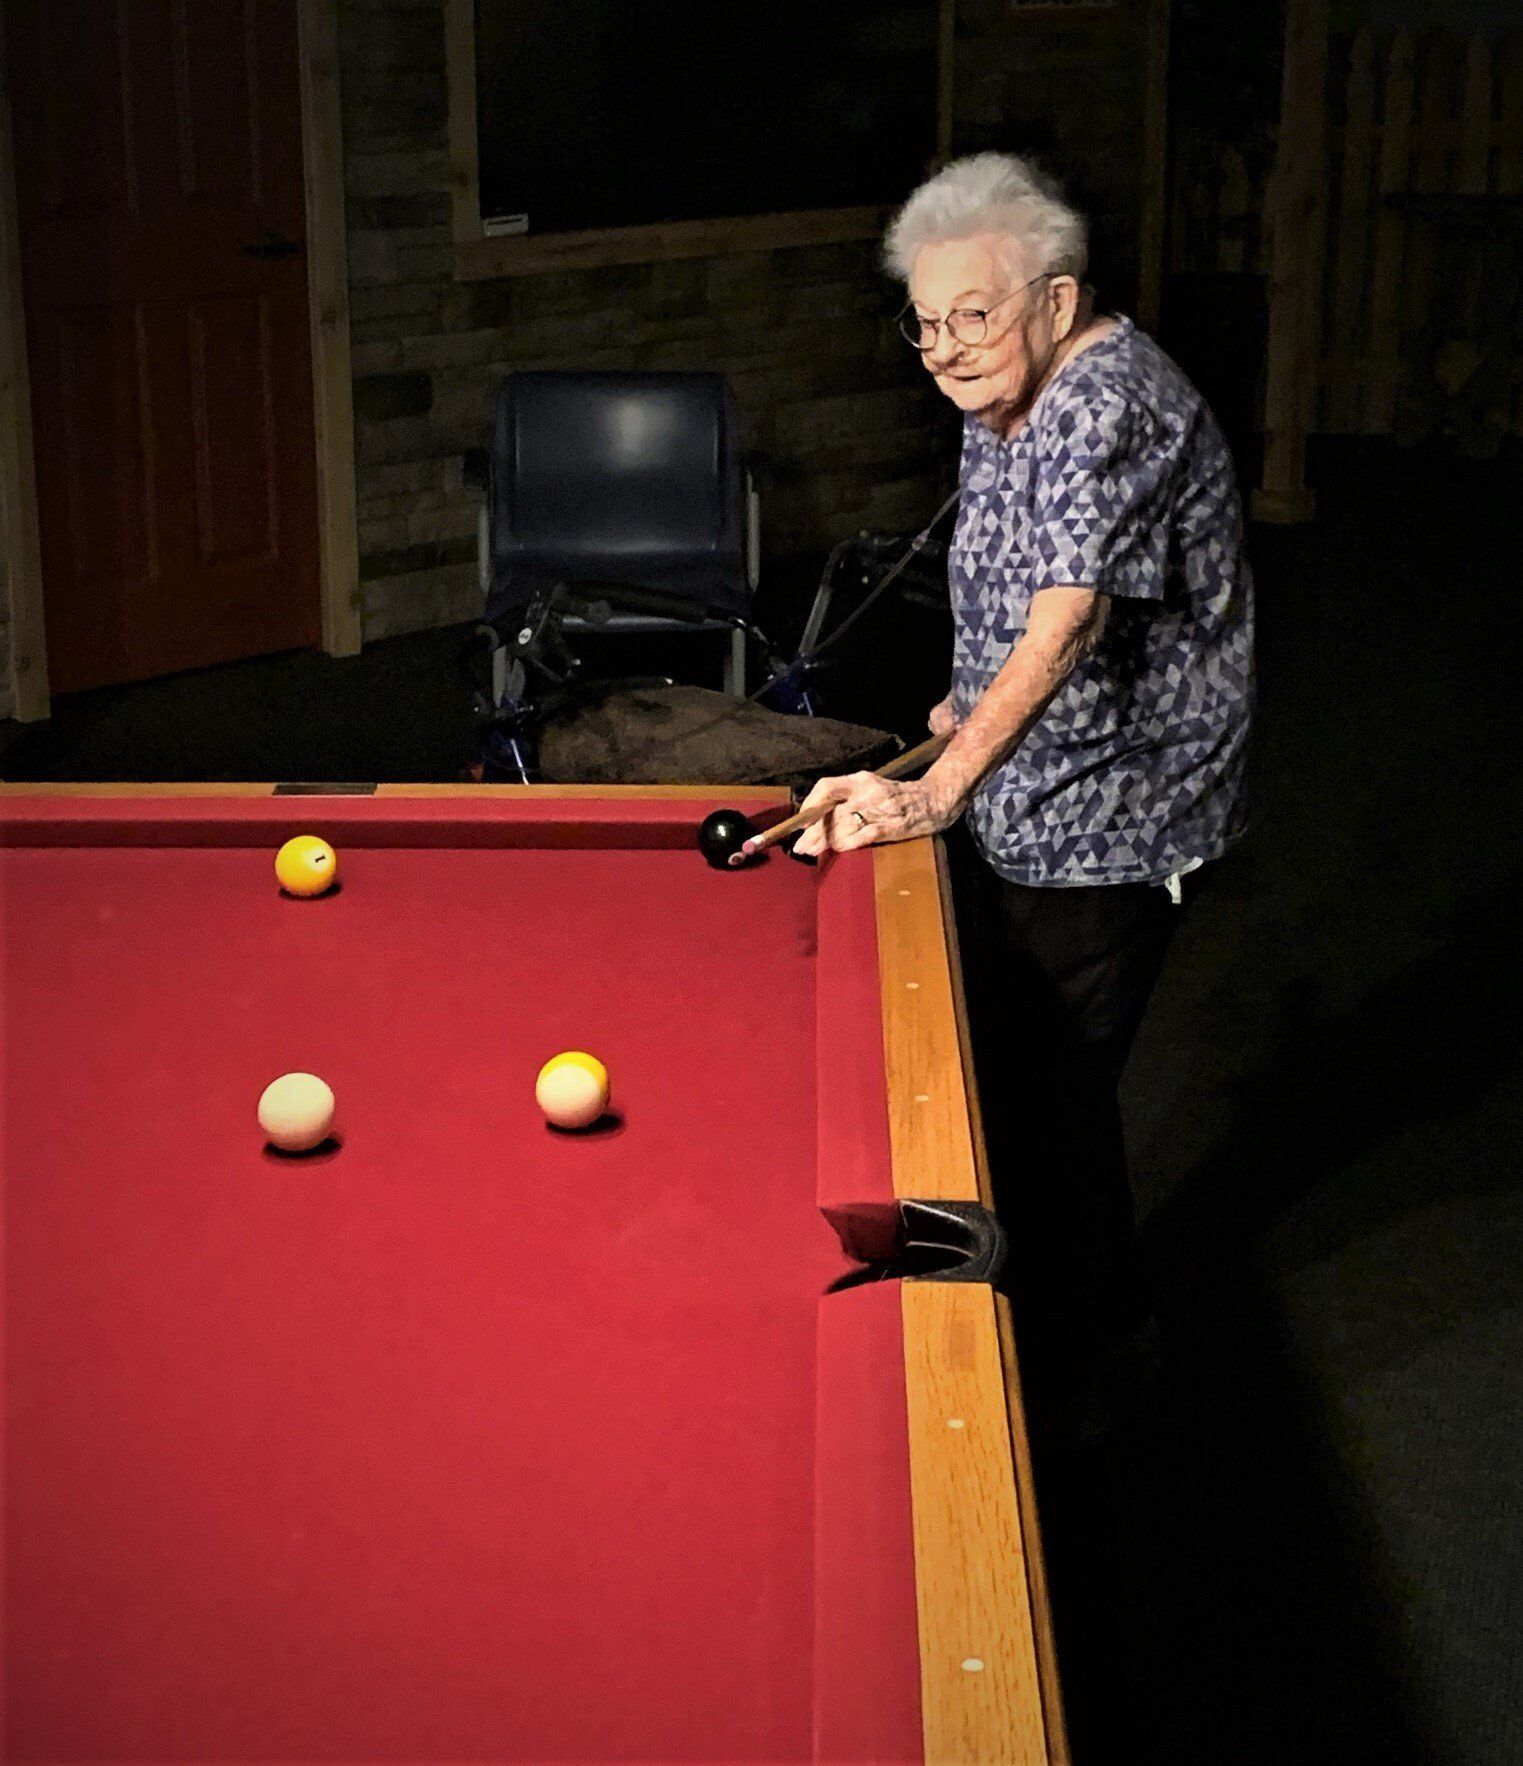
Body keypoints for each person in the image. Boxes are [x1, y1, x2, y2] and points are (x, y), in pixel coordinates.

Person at [793, 152, 1255, 1442]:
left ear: (1057, 298)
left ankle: (1086, 1356)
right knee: (1001, 1055)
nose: (943, 346)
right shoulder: (1000, 390)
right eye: (926, 320)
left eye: (974, 314)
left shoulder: (1104, 399)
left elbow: (1069, 611)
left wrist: (940, 784)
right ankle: (1001, 1294)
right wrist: (954, 716)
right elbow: (1008, 587)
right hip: (1030, 788)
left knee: (1044, 1088)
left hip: (1118, 816)